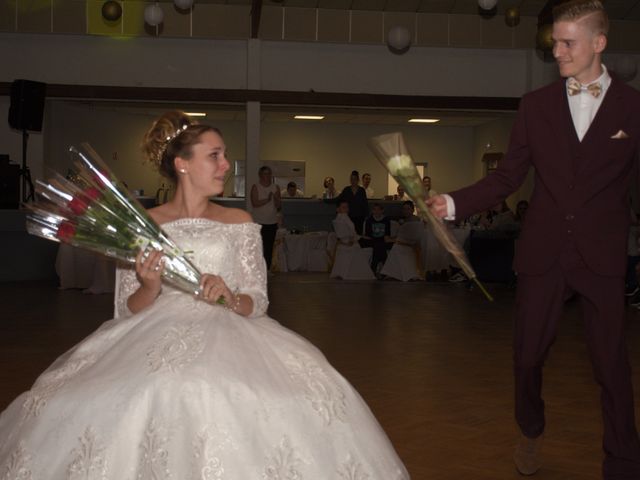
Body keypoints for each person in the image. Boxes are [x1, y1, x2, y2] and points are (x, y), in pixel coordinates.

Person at [0, 111, 409, 479]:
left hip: (230, 328)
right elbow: (128, 311)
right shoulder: (143, 225)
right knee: (111, 396)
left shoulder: (239, 221)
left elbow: (258, 299)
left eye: (224, 154)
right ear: (182, 164)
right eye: (215, 155)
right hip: (153, 333)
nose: (226, 164)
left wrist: (232, 298)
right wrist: (150, 285)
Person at [428, 1, 640, 477]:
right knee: (527, 357)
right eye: (555, 43)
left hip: (602, 255)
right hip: (544, 252)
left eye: (568, 43)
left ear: (599, 44)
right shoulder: (536, 106)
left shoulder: (634, 107)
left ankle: (624, 461)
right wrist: (453, 202)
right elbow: (507, 178)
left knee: (612, 367)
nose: (558, 51)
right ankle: (530, 427)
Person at [250, 165, 281, 271]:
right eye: (265, 174)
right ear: (260, 175)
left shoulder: (275, 187)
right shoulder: (256, 187)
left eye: (269, 173)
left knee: (269, 247)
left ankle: (267, 270)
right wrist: (267, 200)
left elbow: (278, 206)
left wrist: (276, 199)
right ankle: (257, 270)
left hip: (271, 221)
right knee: (258, 247)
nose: (267, 176)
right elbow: (255, 203)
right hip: (259, 221)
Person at [360, 203, 393, 276]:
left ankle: (374, 268)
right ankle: (384, 269)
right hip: (372, 240)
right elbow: (368, 235)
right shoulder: (369, 220)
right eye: (375, 210)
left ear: (382, 210)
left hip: (382, 240)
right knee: (378, 245)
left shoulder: (386, 220)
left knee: (379, 245)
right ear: (372, 211)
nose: (377, 212)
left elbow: (387, 234)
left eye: (379, 210)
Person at [337, 170, 368, 235]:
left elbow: (365, 204)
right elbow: (338, 199)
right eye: (351, 179)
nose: (353, 181)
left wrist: (366, 216)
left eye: (354, 179)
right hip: (348, 217)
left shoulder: (362, 190)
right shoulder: (346, 190)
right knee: (348, 235)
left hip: (360, 217)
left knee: (358, 235)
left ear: (358, 180)